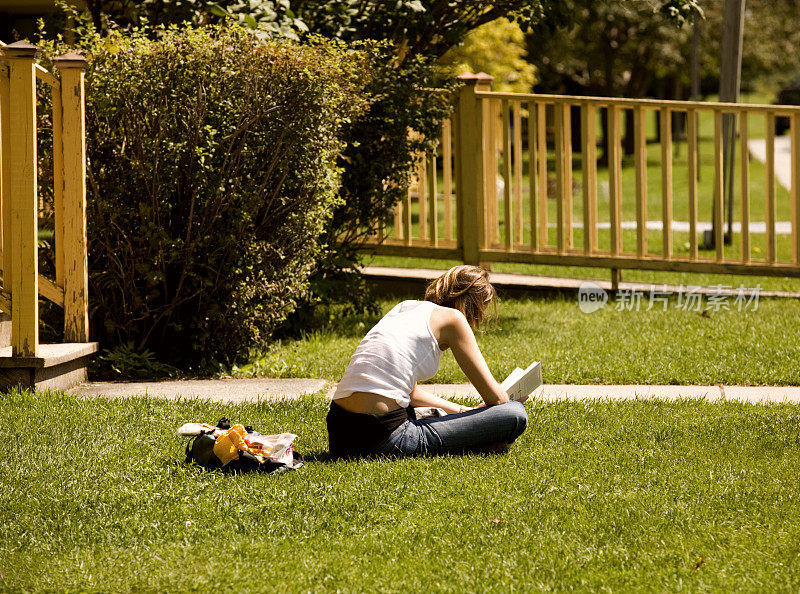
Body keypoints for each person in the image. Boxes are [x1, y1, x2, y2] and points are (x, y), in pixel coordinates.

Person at [327, 265, 528, 458]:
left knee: (428, 413)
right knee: (514, 413)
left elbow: (411, 393)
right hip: (382, 437)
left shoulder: (405, 307)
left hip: (340, 434)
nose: (481, 318)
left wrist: (464, 411)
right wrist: (509, 399)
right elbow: (497, 400)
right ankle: (476, 444)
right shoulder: (454, 319)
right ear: (473, 305)